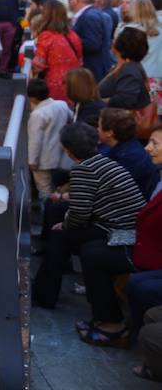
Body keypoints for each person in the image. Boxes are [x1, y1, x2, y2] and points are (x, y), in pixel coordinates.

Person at [32, 122, 146, 309]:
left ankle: (45, 294)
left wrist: (65, 225)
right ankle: (45, 290)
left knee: (60, 236)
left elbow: (79, 213)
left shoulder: (83, 170)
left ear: (67, 150)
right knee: (58, 218)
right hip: (123, 223)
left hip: (120, 230)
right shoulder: (103, 161)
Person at [77, 124, 162, 349]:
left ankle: (114, 325)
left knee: (95, 256)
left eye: (155, 144)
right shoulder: (157, 172)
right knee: (91, 247)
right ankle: (108, 317)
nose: (148, 148)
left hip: (151, 252)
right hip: (141, 238)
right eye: (149, 142)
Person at [27, 78, 72, 201]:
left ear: (32, 98)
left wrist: (32, 161)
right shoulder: (61, 105)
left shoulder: (37, 114)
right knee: (61, 186)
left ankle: (47, 213)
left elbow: (35, 140)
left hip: (43, 160)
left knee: (44, 190)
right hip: (63, 156)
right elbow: (71, 119)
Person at [98, 108, 157, 200]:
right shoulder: (123, 144)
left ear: (109, 133)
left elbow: (108, 191)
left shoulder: (127, 159)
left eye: (99, 126)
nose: (97, 129)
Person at [32, 0, 83, 102]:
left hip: (55, 84)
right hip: (74, 83)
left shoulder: (47, 36)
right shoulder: (73, 35)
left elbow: (38, 65)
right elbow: (80, 59)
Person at [98, 27, 152, 111]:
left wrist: (99, 103)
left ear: (122, 46)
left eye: (116, 38)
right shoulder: (125, 65)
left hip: (123, 120)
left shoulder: (129, 70)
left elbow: (125, 99)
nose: (113, 41)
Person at [70, 0, 114, 82]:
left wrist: (69, 39)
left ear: (76, 0)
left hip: (94, 70)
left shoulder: (89, 16)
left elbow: (93, 44)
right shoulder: (91, 13)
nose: (70, 1)